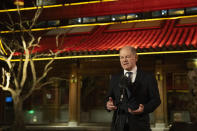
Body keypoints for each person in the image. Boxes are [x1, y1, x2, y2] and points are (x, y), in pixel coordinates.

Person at [105, 46, 161, 131]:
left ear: (136, 58)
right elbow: (108, 98)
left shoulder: (148, 77)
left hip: (140, 125)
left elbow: (156, 100)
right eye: (121, 57)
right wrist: (108, 105)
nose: (124, 60)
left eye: (127, 57)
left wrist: (144, 109)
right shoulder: (115, 78)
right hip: (118, 125)